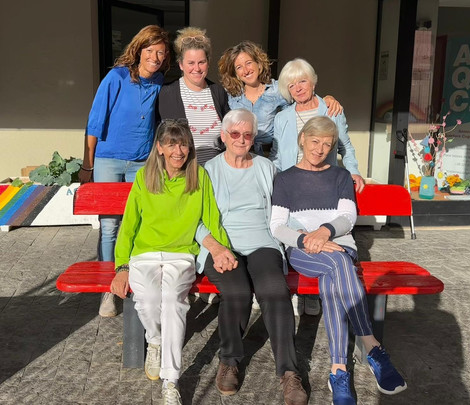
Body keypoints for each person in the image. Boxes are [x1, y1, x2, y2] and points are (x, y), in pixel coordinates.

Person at [270, 116, 407, 405]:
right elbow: (278, 226)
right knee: (340, 265)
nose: (319, 149)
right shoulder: (284, 179)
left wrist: (324, 231)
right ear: (302, 139)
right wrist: (308, 239)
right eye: (314, 141)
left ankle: (339, 369)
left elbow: (347, 217)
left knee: (335, 279)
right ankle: (370, 345)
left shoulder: (341, 176)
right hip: (302, 250)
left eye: (327, 144)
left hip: (339, 245)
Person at [110, 120, 237, 405]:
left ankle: (171, 380)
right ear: (160, 148)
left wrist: (222, 250)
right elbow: (129, 225)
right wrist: (121, 267)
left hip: (181, 254)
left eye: (183, 143)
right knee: (149, 298)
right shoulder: (144, 177)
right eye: (171, 144)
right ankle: (155, 340)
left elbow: (211, 218)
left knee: (171, 300)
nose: (178, 150)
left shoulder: (199, 176)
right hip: (144, 254)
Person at [195, 109, 308, 405]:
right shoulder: (208, 171)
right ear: (224, 136)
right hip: (221, 245)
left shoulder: (266, 168)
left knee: (274, 290)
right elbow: (194, 219)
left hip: (262, 242)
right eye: (235, 134)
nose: (241, 140)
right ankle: (229, 360)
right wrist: (216, 249)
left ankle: (289, 373)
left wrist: (303, 237)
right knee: (237, 291)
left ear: (254, 138)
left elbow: (282, 213)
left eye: (247, 134)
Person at [79, 25, 171, 318]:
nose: (155, 57)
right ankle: (108, 288)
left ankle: (131, 277)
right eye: (150, 50)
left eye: (161, 52)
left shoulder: (159, 83)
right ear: (139, 49)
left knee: (136, 223)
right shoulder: (116, 77)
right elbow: (95, 121)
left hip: (141, 162)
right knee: (109, 226)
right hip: (109, 160)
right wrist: (87, 164)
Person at [273, 57, 365, 316]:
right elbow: (279, 157)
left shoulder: (331, 109)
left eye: (302, 81)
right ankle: (304, 290)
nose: (298, 88)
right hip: (294, 187)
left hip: (323, 184)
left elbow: (345, 145)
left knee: (322, 237)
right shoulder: (283, 118)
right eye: (291, 85)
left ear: (313, 81)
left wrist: (354, 171)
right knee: (295, 232)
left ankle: (311, 295)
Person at [218, 40, 342, 156]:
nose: (245, 70)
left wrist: (327, 98)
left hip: (271, 155)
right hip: (240, 155)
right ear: (236, 74)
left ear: (259, 64)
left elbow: (304, 97)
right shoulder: (231, 96)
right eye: (239, 67)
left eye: (249, 63)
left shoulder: (277, 89)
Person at [157, 27, 230, 165]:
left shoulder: (218, 92)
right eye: (190, 63)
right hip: (182, 171)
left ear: (208, 63)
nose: (196, 68)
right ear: (180, 65)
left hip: (215, 171)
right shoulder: (167, 94)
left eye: (201, 62)